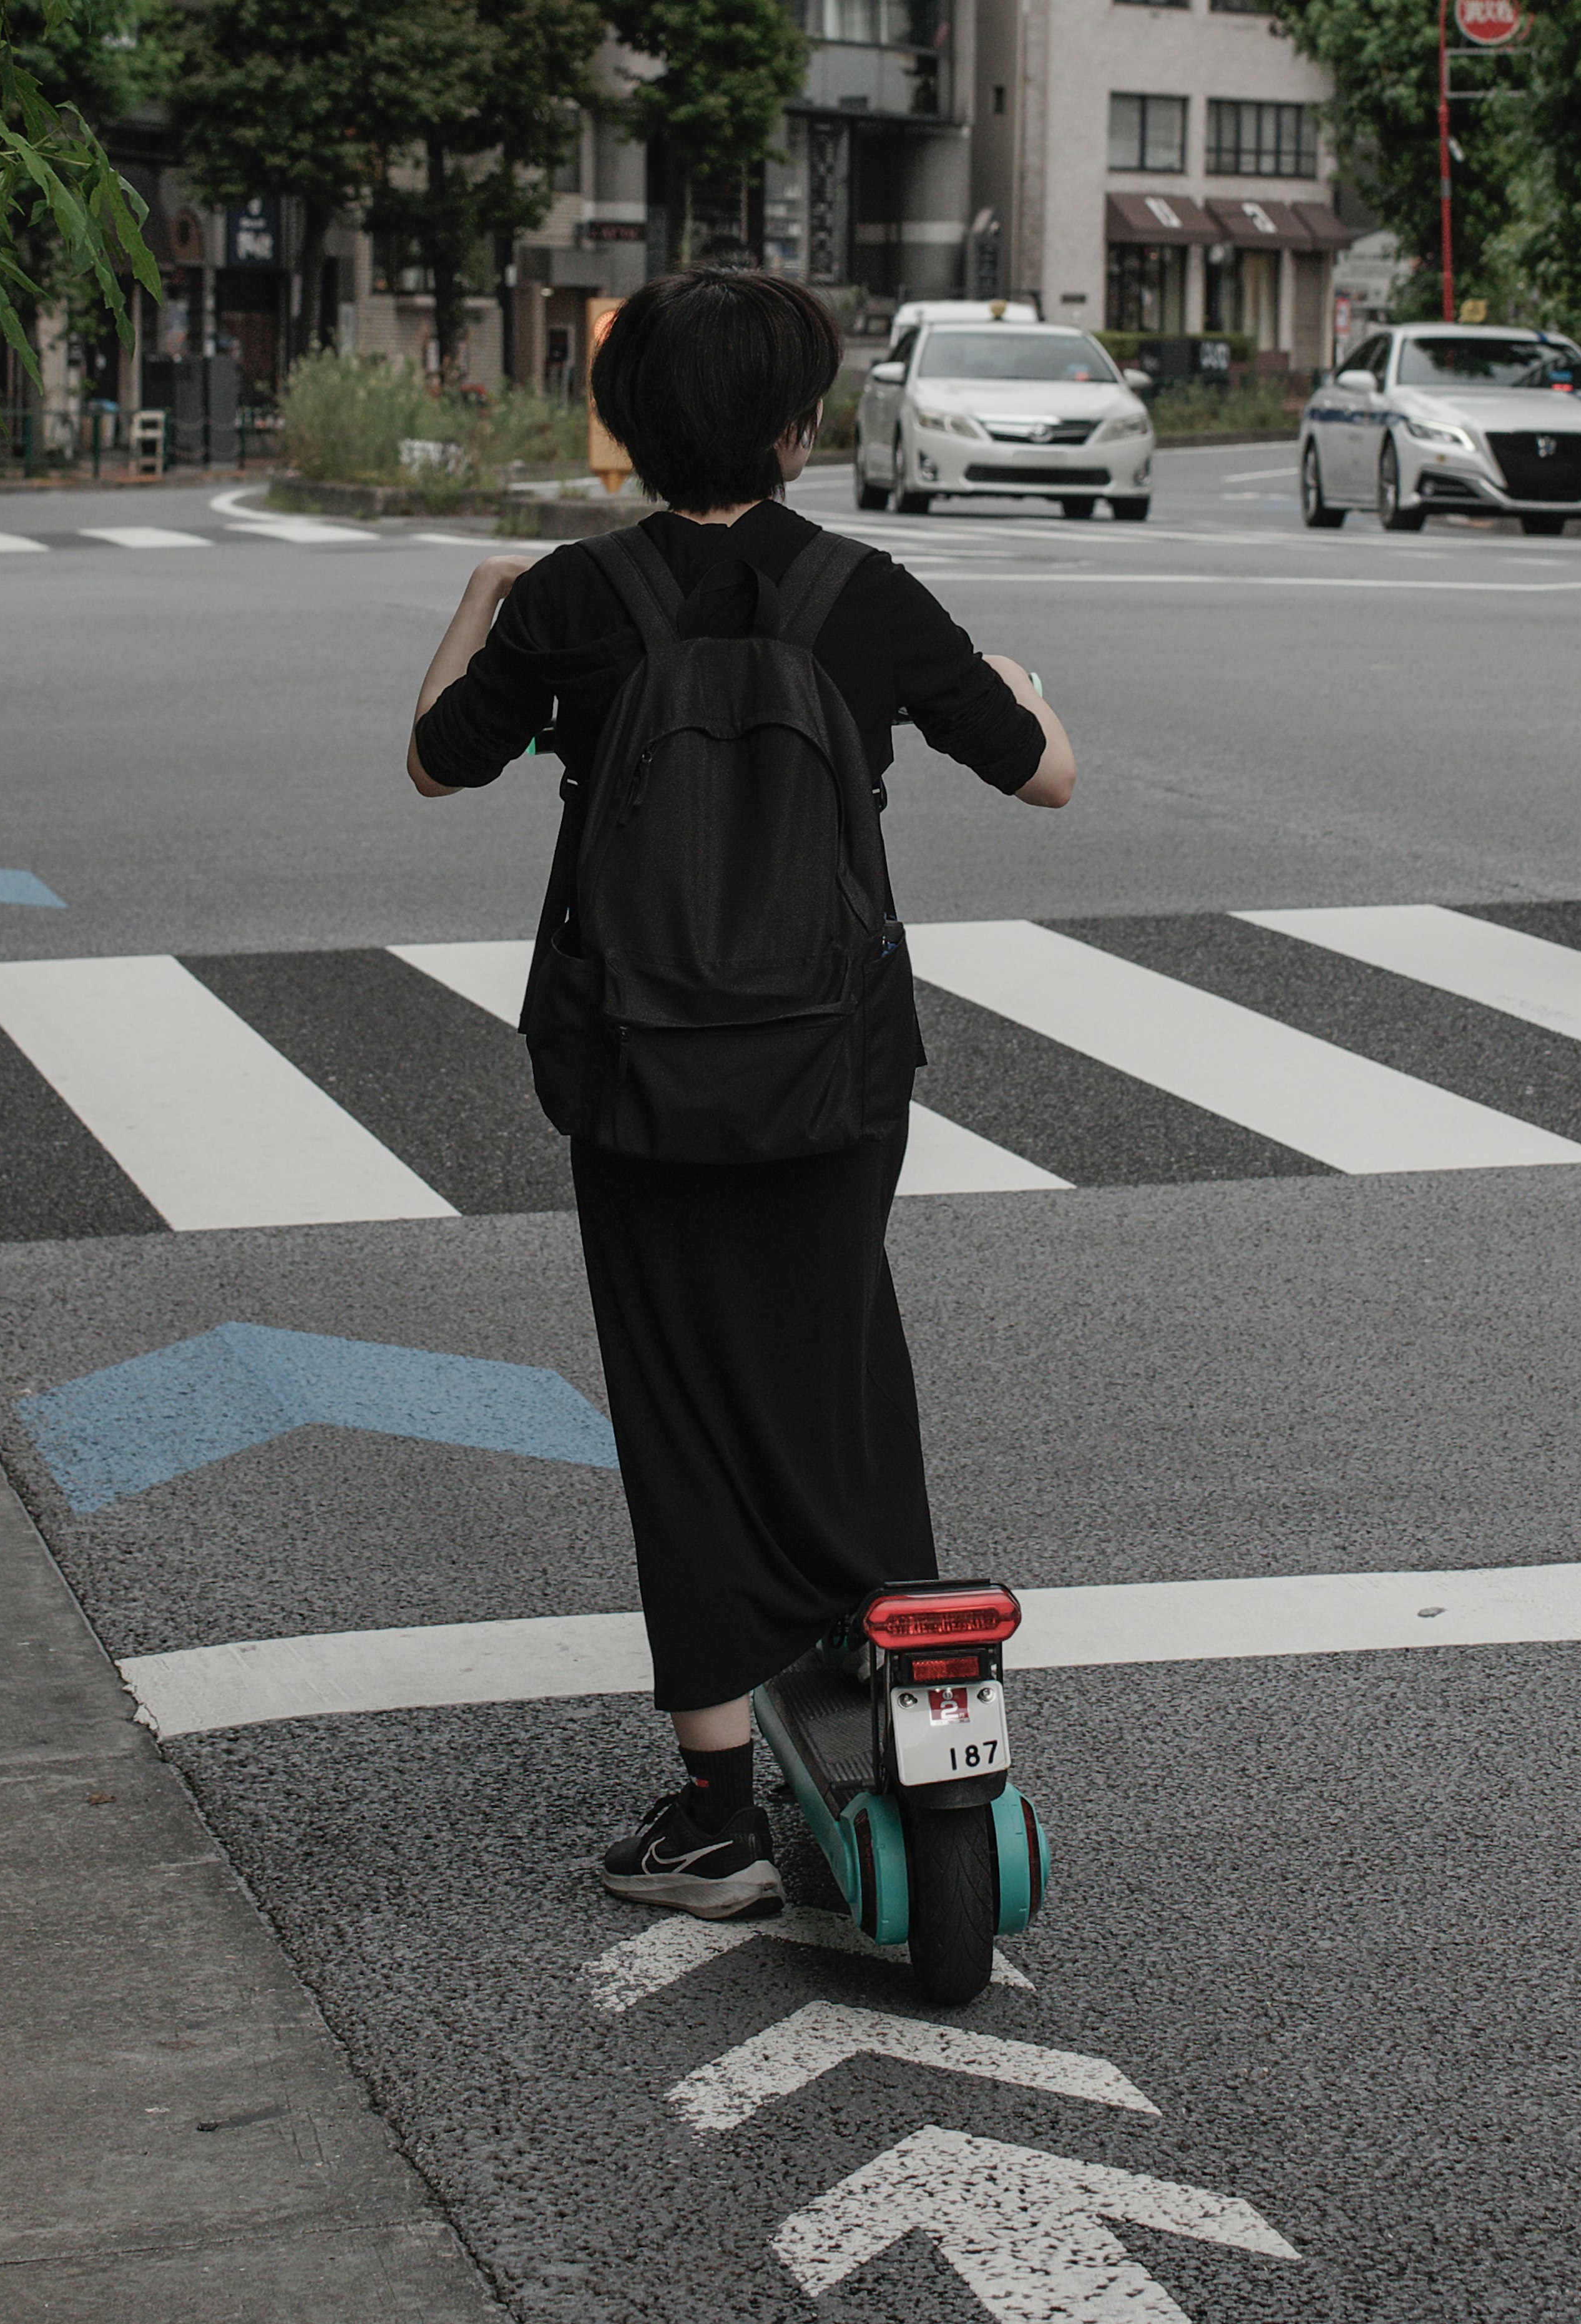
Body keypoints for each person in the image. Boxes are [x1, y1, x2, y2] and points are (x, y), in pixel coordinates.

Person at [405, 269, 1075, 1915]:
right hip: (832, 1064)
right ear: (792, 429)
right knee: (839, 1366)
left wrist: (488, 596)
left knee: (678, 1398)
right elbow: (1044, 771)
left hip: (636, 1068)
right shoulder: (864, 591)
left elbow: (436, 755)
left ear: (632, 430)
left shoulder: (576, 594)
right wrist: (1022, 684)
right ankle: (909, 1667)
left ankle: (716, 1810)